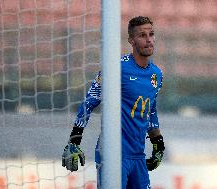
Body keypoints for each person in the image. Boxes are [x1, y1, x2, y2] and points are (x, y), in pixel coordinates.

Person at [62, 16, 165, 189]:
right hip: (112, 154)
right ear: (131, 40)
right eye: (142, 35)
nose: (148, 39)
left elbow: (151, 109)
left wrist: (157, 142)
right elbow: (89, 101)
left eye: (151, 34)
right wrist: (74, 140)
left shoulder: (156, 74)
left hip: (138, 155)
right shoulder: (116, 68)